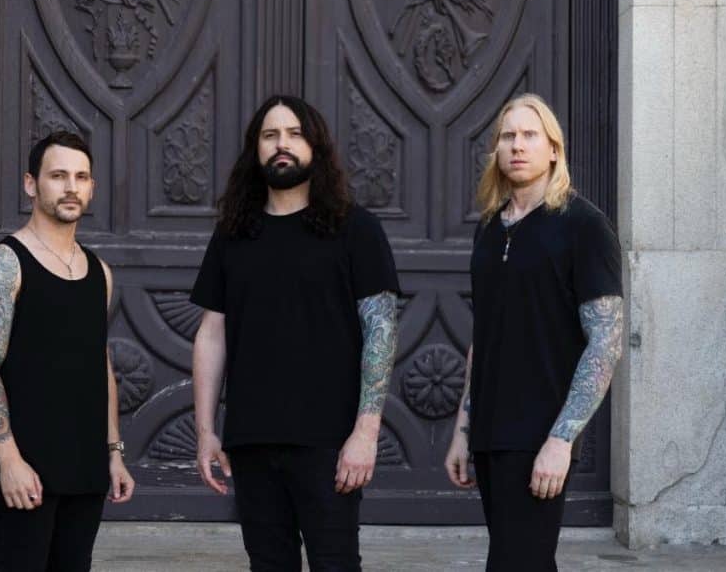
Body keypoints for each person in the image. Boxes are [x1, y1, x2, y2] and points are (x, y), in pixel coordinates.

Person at [190, 95, 400, 571]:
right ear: (255, 149)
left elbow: (381, 333)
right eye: (270, 135)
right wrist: (205, 432)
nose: (282, 145)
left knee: (335, 564)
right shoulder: (233, 232)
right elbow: (211, 333)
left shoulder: (355, 229)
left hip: (329, 441)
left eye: (294, 134)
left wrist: (366, 433)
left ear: (316, 146)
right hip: (251, 441)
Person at [443, 94, 624, 571]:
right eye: (508, 136)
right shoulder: (489, 227)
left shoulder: (584, 226)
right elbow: (485, 333)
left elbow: (606, 342)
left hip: (542, 429)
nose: (517, 145)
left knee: (517, 561)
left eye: (529, 135)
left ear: (553, 150)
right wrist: (464, 430)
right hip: (490, 431)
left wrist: (562, 439)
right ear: (497, 150)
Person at [0, 131, 135, 571]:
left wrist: (114, 453)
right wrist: (8, 460)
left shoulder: (99, 271)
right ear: (31, 184)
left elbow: (100, 366)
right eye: (58, 176)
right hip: (28, 468)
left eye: (81, 177)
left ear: (92, 187)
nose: (71, 187)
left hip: (86, 466)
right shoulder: (5, 263)